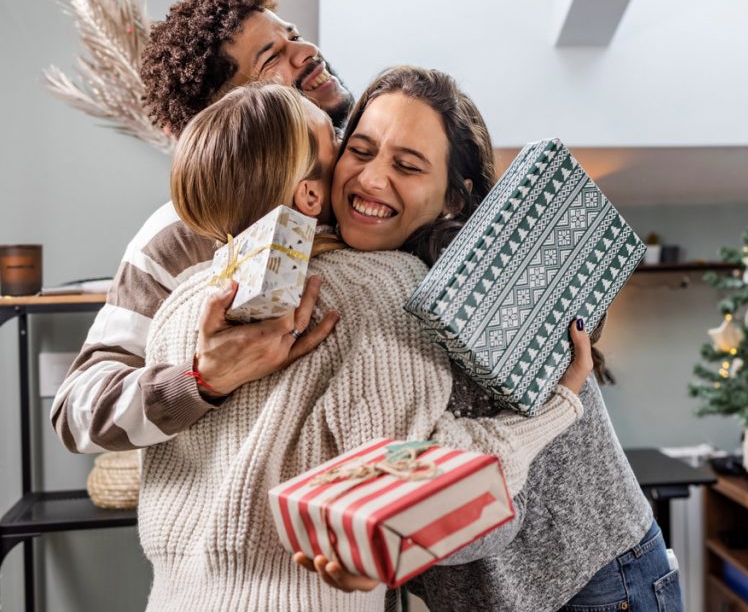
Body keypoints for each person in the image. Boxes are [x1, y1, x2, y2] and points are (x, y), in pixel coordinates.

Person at [138, 81, 590, 611]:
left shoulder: (177, 305)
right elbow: (425, 479)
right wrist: (560, 405)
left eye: (408, 164)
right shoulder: (378, 284)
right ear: (310, 193)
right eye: (347, 145)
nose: (369, 176)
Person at [302, 65, 683, 611]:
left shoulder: (469, 292)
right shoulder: (357, 270)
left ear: (455, 197)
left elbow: (495, 508)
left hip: (590, 587)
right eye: (360, 151)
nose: (370, 179)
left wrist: (386, 546)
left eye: (407, 165)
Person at [51, 0, 353, 454]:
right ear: (230, 116)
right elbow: (76, 412)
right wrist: (200, 380)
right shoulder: (176, 238)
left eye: (292, 35)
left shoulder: (369, 191)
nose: (307, 51)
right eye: (271, 58)